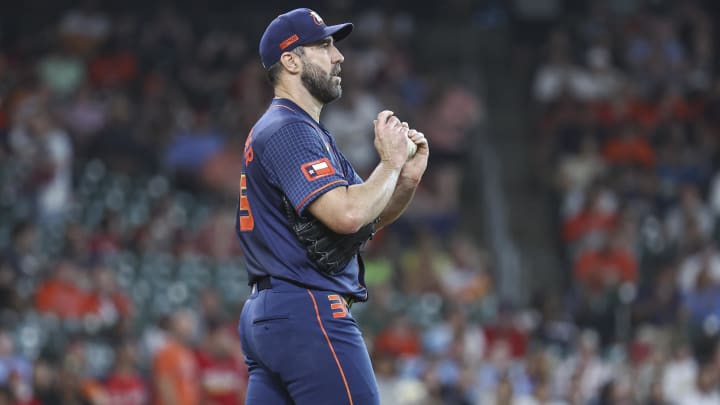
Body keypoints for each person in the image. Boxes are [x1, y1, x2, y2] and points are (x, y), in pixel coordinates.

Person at [236, 8, 429, 405]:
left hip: (272, 312)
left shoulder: (301, 130)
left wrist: (405, 178)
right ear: (290, 60)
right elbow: (349, 215)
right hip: (306, 308)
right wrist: (389, 162)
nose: (338, 56)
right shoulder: (289, 129)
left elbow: (368, 214)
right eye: (323, 46)